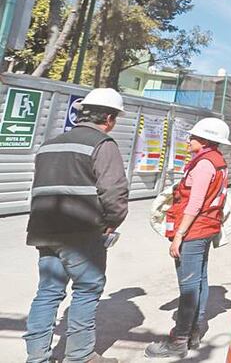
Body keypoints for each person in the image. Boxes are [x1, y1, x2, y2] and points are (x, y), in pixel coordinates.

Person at [24, 87, 128, 363]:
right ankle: (80, 356)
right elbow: (114, 192)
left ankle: (36, 358)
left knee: (47, 293)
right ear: (108, 118)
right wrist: (112, 222)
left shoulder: (50, 144)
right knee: (87, 288)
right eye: (115, 118)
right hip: (82, 232)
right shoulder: (102, 144)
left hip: (44, 230)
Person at [145, 117, 231, 359]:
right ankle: (193, 331)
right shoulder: (217, 161)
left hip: (195, 229)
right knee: (200, 280)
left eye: (193, 137)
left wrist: (179, 236)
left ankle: (179, 339)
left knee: (189, 285)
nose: (189, 139)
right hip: (207, 227)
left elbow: (195, 203)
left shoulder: (204, 165)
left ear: (205, 141)